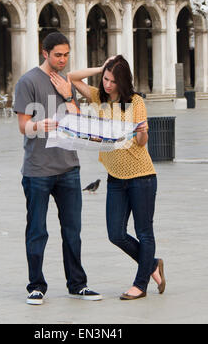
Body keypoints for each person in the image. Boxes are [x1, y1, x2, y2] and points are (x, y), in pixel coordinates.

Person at [50, 55, 166, 300]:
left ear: (123, 82)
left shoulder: (135, 103)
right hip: (115, 178)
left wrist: (143, 133)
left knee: (144, 231)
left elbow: (142, 143)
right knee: (116, 234)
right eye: (105, 79)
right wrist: (102, 67)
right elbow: (71, 77)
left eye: (113, 81)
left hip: (141, 175)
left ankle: (140, 284)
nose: (108, 84)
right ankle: (152, 264)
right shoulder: (98, 98)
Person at [13, 31, 102, 305]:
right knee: (37, 230)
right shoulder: (27, 82)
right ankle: (36, 285)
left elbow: (77, 120)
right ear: (45, 53)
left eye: (66, 55)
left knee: (73, 230)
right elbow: (23, 127)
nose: (63, 60)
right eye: (58, 55)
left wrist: (67, 95)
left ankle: (78, 284)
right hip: (38, 169)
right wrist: (39, 126)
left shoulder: (67, 82)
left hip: (69, 167)